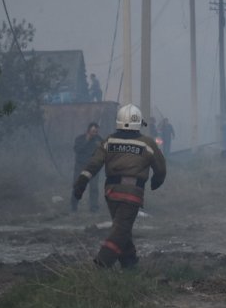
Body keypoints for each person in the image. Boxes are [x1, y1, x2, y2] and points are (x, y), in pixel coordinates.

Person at [73, 104, 167, 269]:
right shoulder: (147, 143)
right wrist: (156, 181)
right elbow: (160, 168)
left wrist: (81, 183)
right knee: (121, 230)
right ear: (138, 123)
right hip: (132, 194)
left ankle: (129, 264)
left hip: (111, 193)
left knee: (122, 227)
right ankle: (102, 263)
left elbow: (93, 164)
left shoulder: (109, 141)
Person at [71, 122, 103, 212]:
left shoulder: (99, 139)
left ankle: (93, 208)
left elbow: (104, 152)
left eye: (96, 132)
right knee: (77, 186)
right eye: (93, 131)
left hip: (93, 167)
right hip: (80, 166)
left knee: (94, 188)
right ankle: (73, 207)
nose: (95, 134)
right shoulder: (80, 139)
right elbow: (77, 150)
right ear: (88, 131)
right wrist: (87, 140)